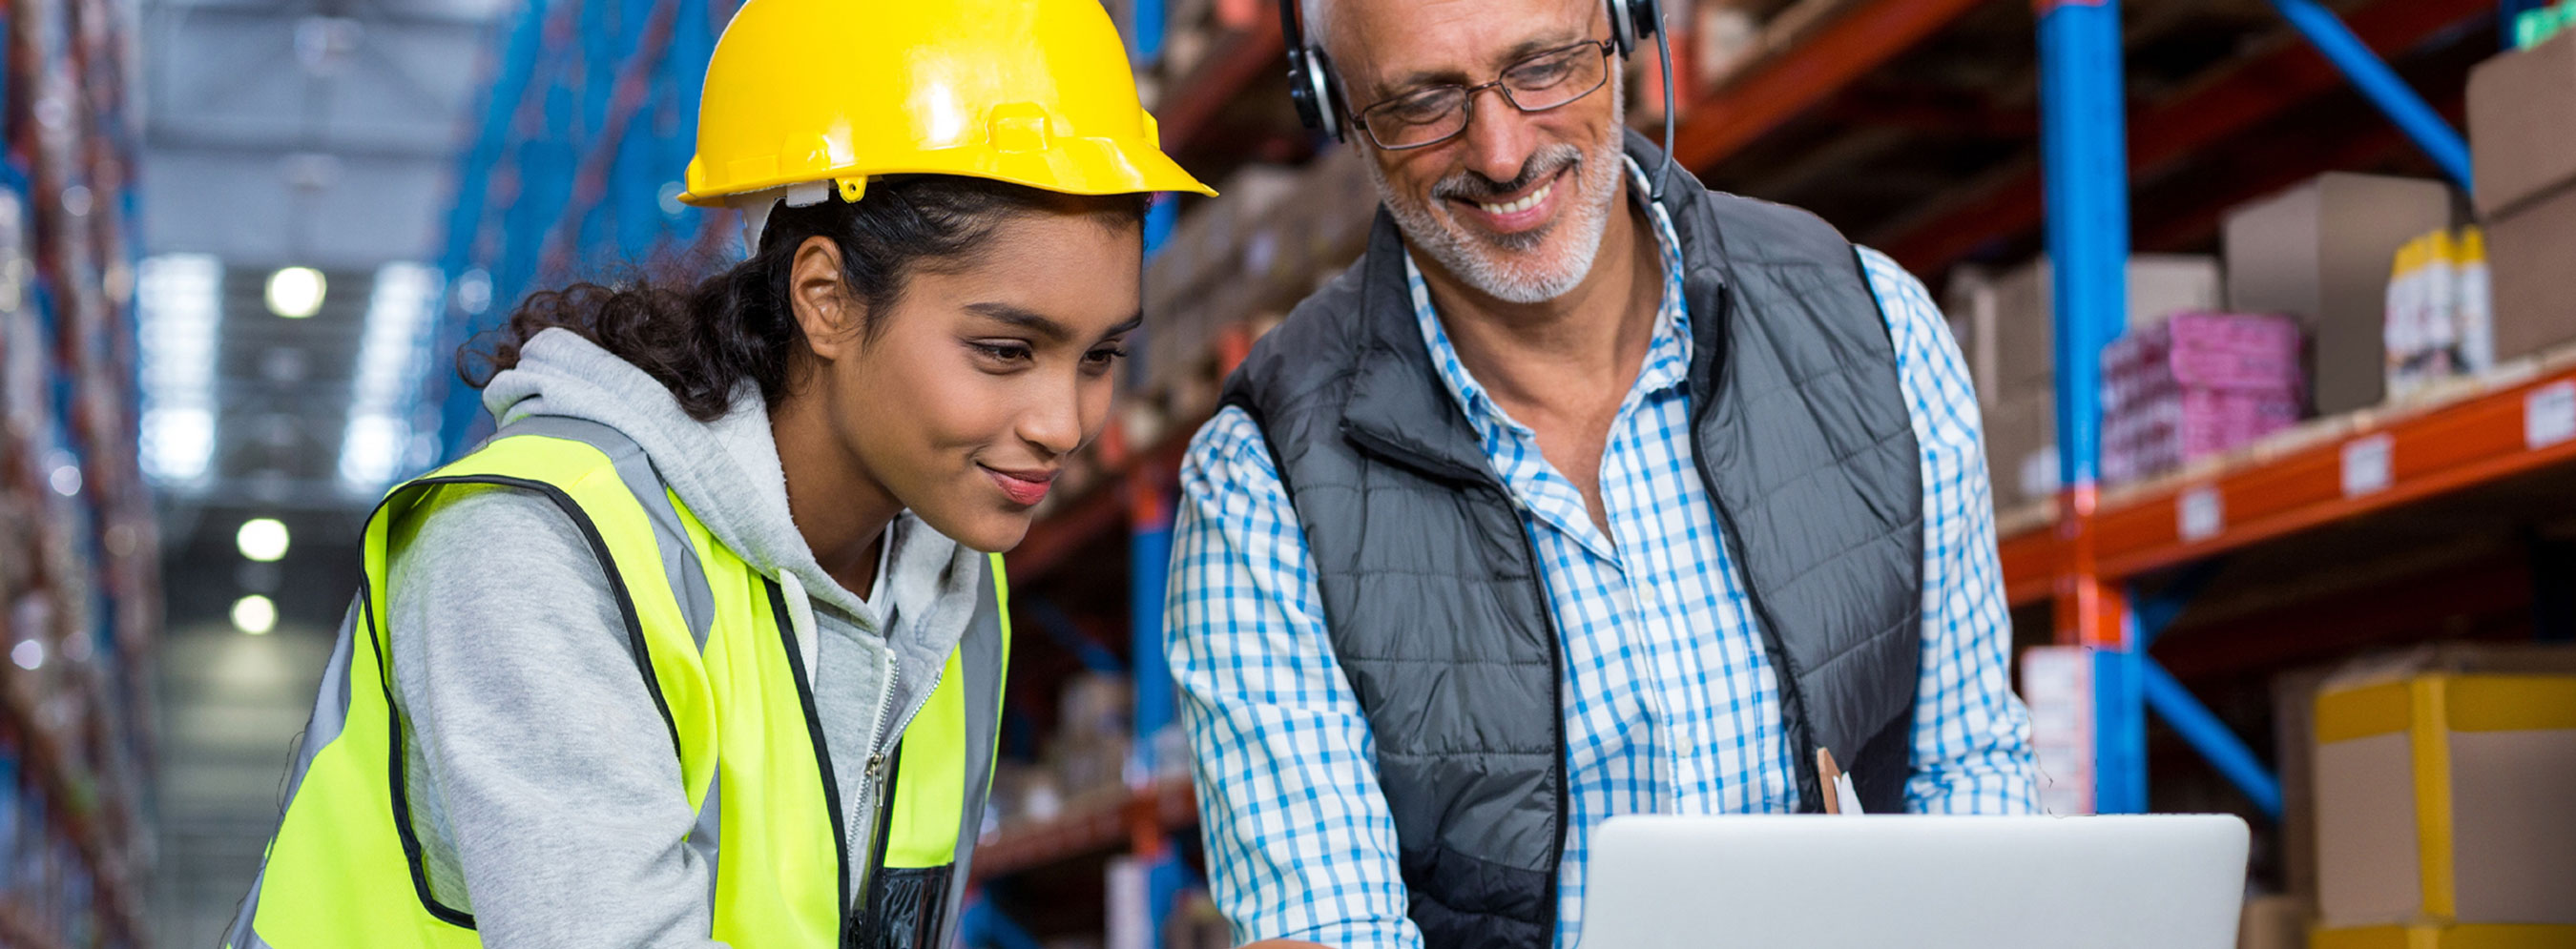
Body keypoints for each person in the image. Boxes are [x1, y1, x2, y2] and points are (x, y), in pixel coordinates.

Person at [222, 1, 1210, 946]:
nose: (1064, 422)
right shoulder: (537, 548)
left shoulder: (951, 580)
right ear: (824, 298)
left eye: (1099, 357)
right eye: (1003, 350)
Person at [1163, 0, 2039, 948]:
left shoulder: (1874, 330)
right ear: (1338, 109)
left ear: (1626, 21)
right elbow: (1334, 928)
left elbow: (1969, 776)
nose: (1500, 154)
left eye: (1543, 65)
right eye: (1423, 102)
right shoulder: (1263, 488)